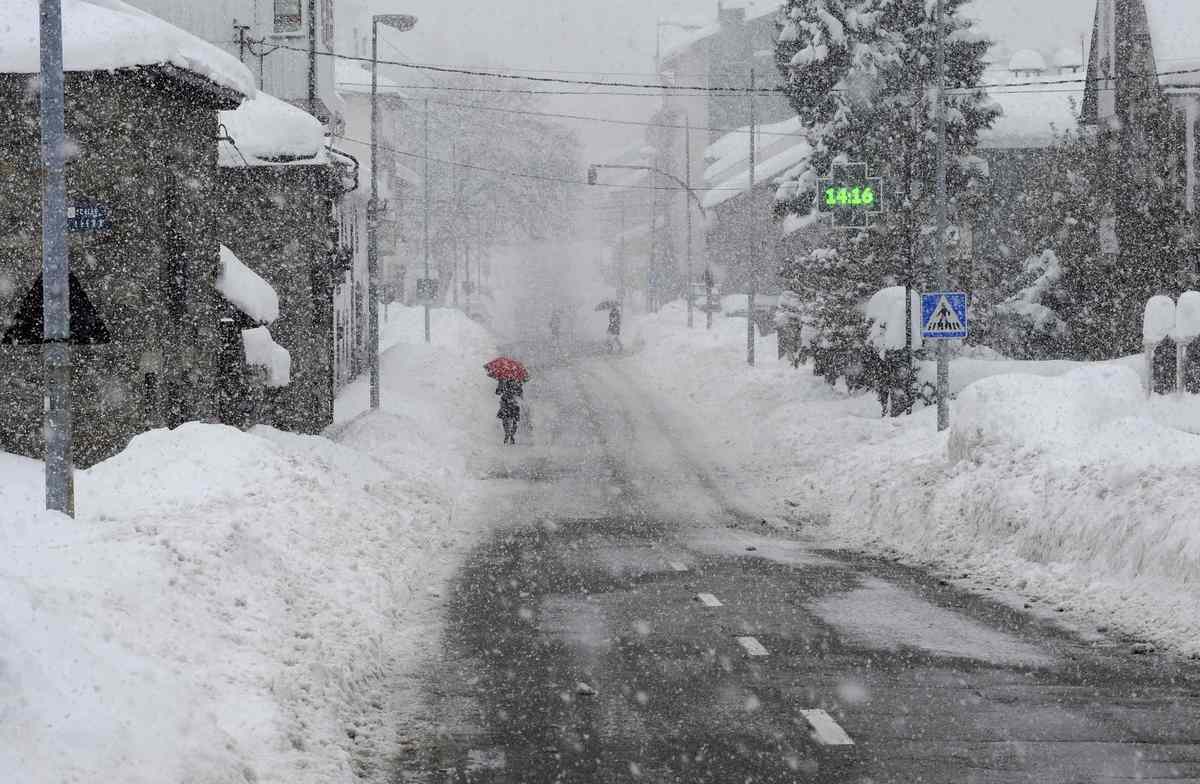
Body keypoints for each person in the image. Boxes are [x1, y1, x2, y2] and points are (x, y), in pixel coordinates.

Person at [496, 378, 523, 444]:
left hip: (506, 402)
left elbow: (498, 392)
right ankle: (511, 435)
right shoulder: (517, 380)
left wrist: (501, 388)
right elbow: (520, 393)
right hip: (512, 403)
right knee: (514, 420)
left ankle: (508, 433)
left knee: (506, 419)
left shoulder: (502, 379)